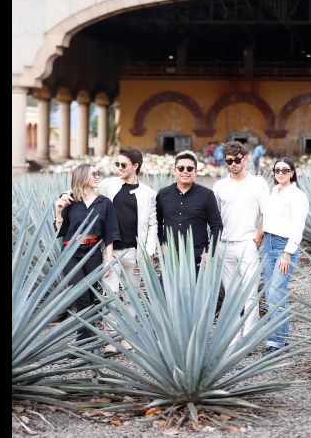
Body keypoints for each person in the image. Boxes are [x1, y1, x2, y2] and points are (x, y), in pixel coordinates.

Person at [97, 146, 158, 352]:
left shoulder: (149, 193)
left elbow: (152, 225)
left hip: (135, 253)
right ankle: (111, 340)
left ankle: (128, 338)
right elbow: (86, 194)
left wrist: (148, 253)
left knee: (131, 296)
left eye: (123, 165)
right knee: (110, 294)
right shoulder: (107, 185)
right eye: (117, 164)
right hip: (111, 251)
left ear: (135, 166)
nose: (119, 168)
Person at [212, 141, 270, 347]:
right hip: (224, 245)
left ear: (245, 159)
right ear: (225, 161)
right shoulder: (219, 186)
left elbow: (267, 213)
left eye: (237, 160)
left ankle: (249, 339)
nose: (234, 164)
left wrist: (257, 239)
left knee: (250, 292)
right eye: (230, 161)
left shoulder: (258, 183)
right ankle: (233, 338)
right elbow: (214, 217)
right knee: (231, 293)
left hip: (248, 243)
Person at [55, 164, 121, 344]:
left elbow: (110, 233)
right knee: (82, 297)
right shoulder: (70, 201)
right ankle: (85, 345)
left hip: (93, 253)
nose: (97, 177)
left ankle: (87, 343)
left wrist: (108, 261)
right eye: (93, 174)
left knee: (91, 298)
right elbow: (61, 231)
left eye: (97, 173)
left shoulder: (104, 203)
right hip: (71, 253)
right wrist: (59, 211)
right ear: (83, 176)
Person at [258, 157, 309, 356]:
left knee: (275, 294)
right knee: (274, 293)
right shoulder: (274, 192)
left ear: (292, 172)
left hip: (283, 247)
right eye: (277, 170)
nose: (280, 173)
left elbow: (298, 227)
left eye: (285, 170)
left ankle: (275, 343)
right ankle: (282, 338)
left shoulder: (297, 196)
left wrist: (287, 253)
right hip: (268, 245)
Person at [156, 150, 223, 272]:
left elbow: (216, 225)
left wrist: (210, 252)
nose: (185, 171)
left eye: (189, 168)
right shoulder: (163, 194)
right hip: (171, 256)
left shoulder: (206, 195)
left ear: (195, 172)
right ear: (175, 171)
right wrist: (161, 244)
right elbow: (157, 222)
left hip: (198, 258)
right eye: (181, 168)